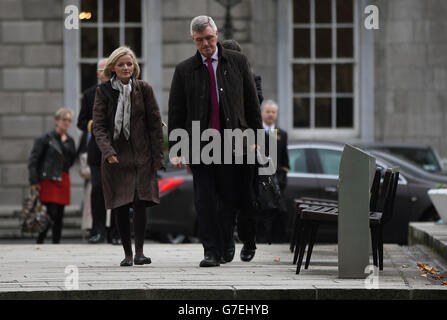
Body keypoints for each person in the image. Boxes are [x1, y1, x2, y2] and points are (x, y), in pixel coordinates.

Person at [168, 16, 262, 267]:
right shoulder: (184, 70)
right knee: (205, 201)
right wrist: (177, 149)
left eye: (209, 38)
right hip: (201, 146)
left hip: (234, 144)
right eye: (199, 40)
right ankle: (210, 251)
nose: (205, 44)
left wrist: (257, 139)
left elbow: (252, 105)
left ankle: (225, 243)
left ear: (217, 34)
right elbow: (176, 113)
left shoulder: (239, 62)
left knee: (229, 200)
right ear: (193, 39)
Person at [93, 46, 165, 267]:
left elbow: (155, 125)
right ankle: (127, 253)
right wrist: (108, 152)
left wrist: (158, 157)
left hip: (141, 155)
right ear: (113, 67)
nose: (126, 67)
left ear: (135, 67)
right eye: (121, 64)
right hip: (116, 157)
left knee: (140, 202)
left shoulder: (144, 89)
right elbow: (99, 126)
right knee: (121, 204)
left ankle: (140, 252)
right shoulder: (104, 91)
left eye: (129, 64)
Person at [77, 58, 120, 245]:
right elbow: (81, 121)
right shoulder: (89, 94)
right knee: (98, 190)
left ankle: (117, 232)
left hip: (118, 149)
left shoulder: (120, 91)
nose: (106, 73)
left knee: (119, 191)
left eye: (108, 69)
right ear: (97, 73)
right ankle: (98, 230)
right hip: (97, 150)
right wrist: (96, 125)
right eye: (103, 70)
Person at [28, 108, 77, 244]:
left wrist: (65, 144)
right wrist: (34, 181)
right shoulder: (45, 138)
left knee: (60, 214)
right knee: (50, 213)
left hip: (63, 178)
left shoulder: (70, 140)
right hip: (47, 179)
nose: (66, 123)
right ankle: (40, 239)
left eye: (69, 120)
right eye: (64, 120)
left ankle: (56, 242)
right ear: (57, 121)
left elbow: (72, 160)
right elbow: (34, 161)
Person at [260, 99, 290, 243]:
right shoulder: (256, 132)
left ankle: (278, 241)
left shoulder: (282, 134)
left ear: (276, 114)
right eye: (268, 112)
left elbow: (285, 159)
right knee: (262, 213)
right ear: (262, 113)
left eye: (273, 112)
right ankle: (261, 241)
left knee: (280, 212)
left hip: (277, 180)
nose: (270, 115)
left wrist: (283, 179)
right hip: (261, 179)